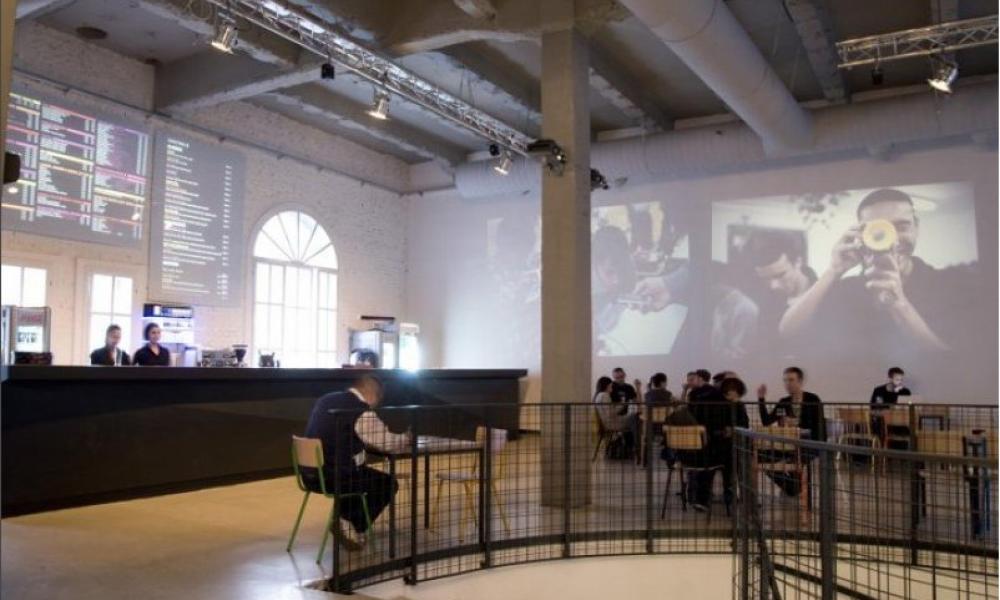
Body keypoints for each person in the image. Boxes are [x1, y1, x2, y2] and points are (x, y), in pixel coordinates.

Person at [779, 188, 978, 354]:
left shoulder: (953, 284)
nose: (892, 240)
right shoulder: (847, 289)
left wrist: (899, 304)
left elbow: (955, 361)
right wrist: (833, 271)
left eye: (901, 227)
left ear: (916, 228)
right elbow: (787, 332)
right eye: (878, 231)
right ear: (861, 234)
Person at [303, 375, 406, 550]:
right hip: (336, 478)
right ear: (373, 394)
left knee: (360, 472)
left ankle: (343, 520)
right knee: (387, 484)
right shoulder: (361, 411)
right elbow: (386, 443)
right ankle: (351, 525)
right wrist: (406, 439)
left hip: (311, 474)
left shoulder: (326, 399)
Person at [756, 367, 825, 497]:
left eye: (791, 380)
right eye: (785, 380)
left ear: (800, 381)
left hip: (809, 444)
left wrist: (797, 424)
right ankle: (792, 487)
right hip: (787, 444)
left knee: (794, 460)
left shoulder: (813, 399)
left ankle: (794, 486)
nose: (788, 384)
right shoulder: (784, 402)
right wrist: (761, 399)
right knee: (760, 458)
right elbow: (767, 421)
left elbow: (818, 427)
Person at [594, 376, 634, 456]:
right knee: (634, 418)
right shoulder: (605, 395)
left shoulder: (599, 395)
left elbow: (609, 411)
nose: (612, 387)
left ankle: (628, 447)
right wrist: (623, 405)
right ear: (607, 386)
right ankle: (633, 448)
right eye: (611, 386)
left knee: (632, 417)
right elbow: (610, 413)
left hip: (608, 422)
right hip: (612, 423)